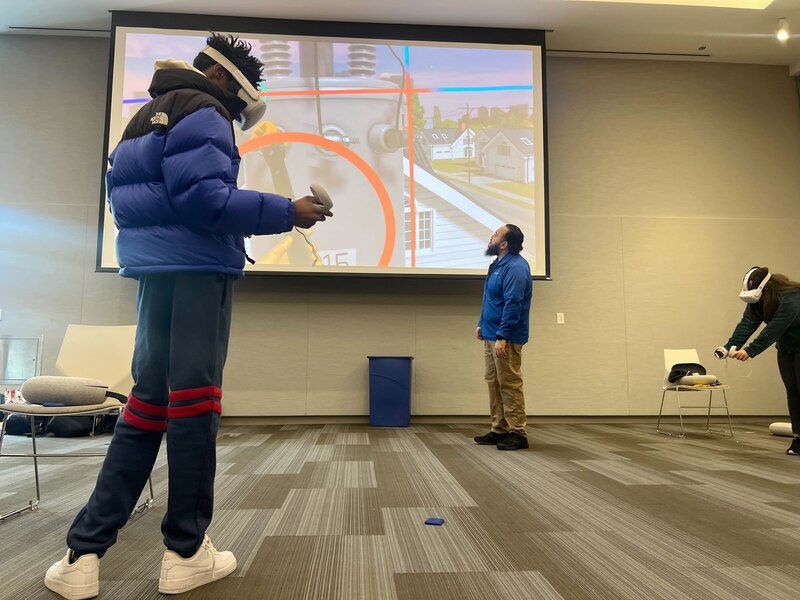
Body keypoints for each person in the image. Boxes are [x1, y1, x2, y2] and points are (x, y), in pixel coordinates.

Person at [44, 34, 332, 599]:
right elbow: (205, 200)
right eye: (244, 98)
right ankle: (187, 553)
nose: (241, 113)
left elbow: (135, 201)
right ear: (224, 79)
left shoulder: (146, 115)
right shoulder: (205, 111)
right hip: (200, 273)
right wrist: (288, 211)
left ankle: (81, 556)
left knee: (146, 408)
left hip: (155, 274)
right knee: (195, 407)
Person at [720, 266, 800, 455]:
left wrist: (749, 351)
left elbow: (775, 328)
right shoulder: (758, 301)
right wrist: (729, 346)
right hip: (787, 348)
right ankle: (799, 437)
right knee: (793, 390)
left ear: (767, 288)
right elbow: (747, 324)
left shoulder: (792, 297)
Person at [473, 225, 533, 451]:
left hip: (504, 337)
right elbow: (489, 298)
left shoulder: (516, 268)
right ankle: (499, 429)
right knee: (493, 382)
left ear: (504, 243)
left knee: (509, 383)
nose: (492, 237)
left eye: (496, 235)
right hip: (490, 333)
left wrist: (502, 336)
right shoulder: (497, 265)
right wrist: (481, 323)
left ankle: (518, 432)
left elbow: (513, 304)